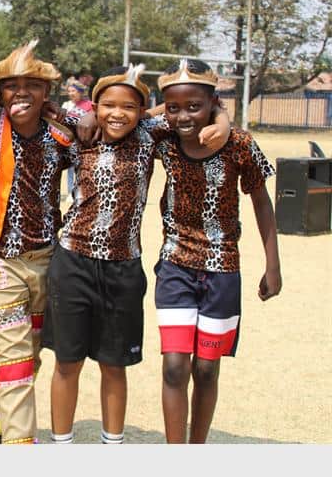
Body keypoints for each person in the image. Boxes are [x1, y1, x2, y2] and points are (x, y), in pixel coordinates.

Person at [43, 64, 231, 445]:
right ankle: (60, 445)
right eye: (108, 105)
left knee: (114, 364)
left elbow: (202, 109)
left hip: (124, 269)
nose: (117, 114)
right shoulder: (80, 133)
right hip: (72, 263)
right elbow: (41, 109)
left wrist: (224, 122)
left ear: (142, 111)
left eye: (128, 107)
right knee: (67, 362)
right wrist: (83, 116)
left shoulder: (150, 136)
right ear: (95, 105)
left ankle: (113, 444)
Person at [154, 58, 282, 444]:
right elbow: (134, 116)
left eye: (194, 106)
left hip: (222, 267)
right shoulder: (163, 136)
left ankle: (198, 449)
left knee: (207, 370)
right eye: (173, 108)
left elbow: (261, 200)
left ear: (212, 102)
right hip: (175, 264)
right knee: (175, 368)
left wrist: (273, 265)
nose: (183, 116)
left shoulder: (239, 143)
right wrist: (211, 114)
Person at [0, 40, 74, 444]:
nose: (21, 92)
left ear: (46, 92)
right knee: (14, 361)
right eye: (12, 85)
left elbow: (112, 125)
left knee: (28, 359)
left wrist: (64, 115)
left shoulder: (61, 137)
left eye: (32, 85)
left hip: (46, 261)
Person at [60, 80, 93, 196]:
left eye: (73, 90)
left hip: (83, 142)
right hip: (67, 141)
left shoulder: (89, 105)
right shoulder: (66, 105)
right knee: (69, 167)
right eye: (69, 91)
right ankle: (70, 192)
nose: (71, 93)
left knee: (81, 167)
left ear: (80, 92)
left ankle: (81, 190)